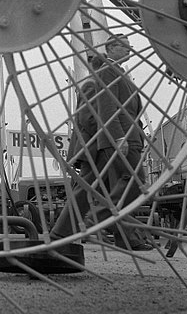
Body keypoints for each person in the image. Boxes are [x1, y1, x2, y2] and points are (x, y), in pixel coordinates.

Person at [51, 35, 152, 251]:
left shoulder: (116, 75)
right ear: (111, 48)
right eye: (125, 47)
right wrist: (114, 136)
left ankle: (65, 231)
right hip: (100, 145)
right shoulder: (100, 78)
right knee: (124, 185)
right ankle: (100, 224)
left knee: (102, 189)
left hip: (107, 142)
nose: (130, 51)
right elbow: (92, 115)